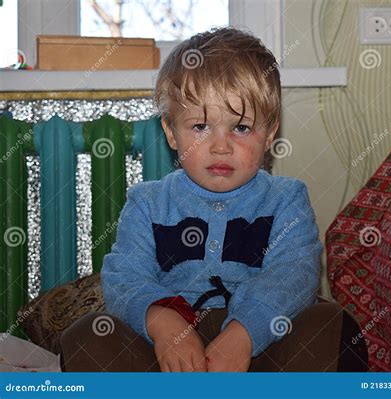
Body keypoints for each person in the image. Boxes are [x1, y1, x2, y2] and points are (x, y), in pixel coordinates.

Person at [60, 27, 367, 372]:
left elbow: (293, 274)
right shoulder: (147, 203)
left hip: (259, 347)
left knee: (331, 323)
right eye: (201, 127)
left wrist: (244, 334)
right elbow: (124, 276)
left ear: (270, 134)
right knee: (87, 334)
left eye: (241, 128)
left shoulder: (286, 199)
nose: (221, 146)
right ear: (170, 132)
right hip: (164, 351)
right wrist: (161, 322)